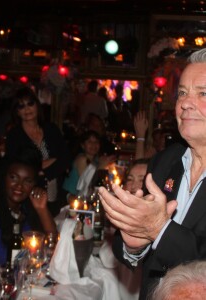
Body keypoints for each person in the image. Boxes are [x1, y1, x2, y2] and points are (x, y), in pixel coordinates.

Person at [98, 47, 206, 299]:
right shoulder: (165, 161)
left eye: (203, 93)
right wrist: (135, 244)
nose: (186, 103)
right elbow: (127, 243)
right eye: (182, 93)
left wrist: (159, 230)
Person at [0, 148, 57, 266]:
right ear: (4, 176)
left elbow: (51, 241)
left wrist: (42, 209)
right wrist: (34, 258)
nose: (19, 186)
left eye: (27, 181)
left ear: (34, 184)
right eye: (13, 177)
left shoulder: (23, 204)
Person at [5, 86, 70, 216]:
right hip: (28, 195)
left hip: (56, 192)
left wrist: (41, 171)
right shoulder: (15, 135)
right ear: (17, 112)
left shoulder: (51, 129)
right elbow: (16, 166)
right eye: (21, 106)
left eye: (30, 103)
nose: (27, 109)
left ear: (37, 105)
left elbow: (65, 159)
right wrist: (49, 162)